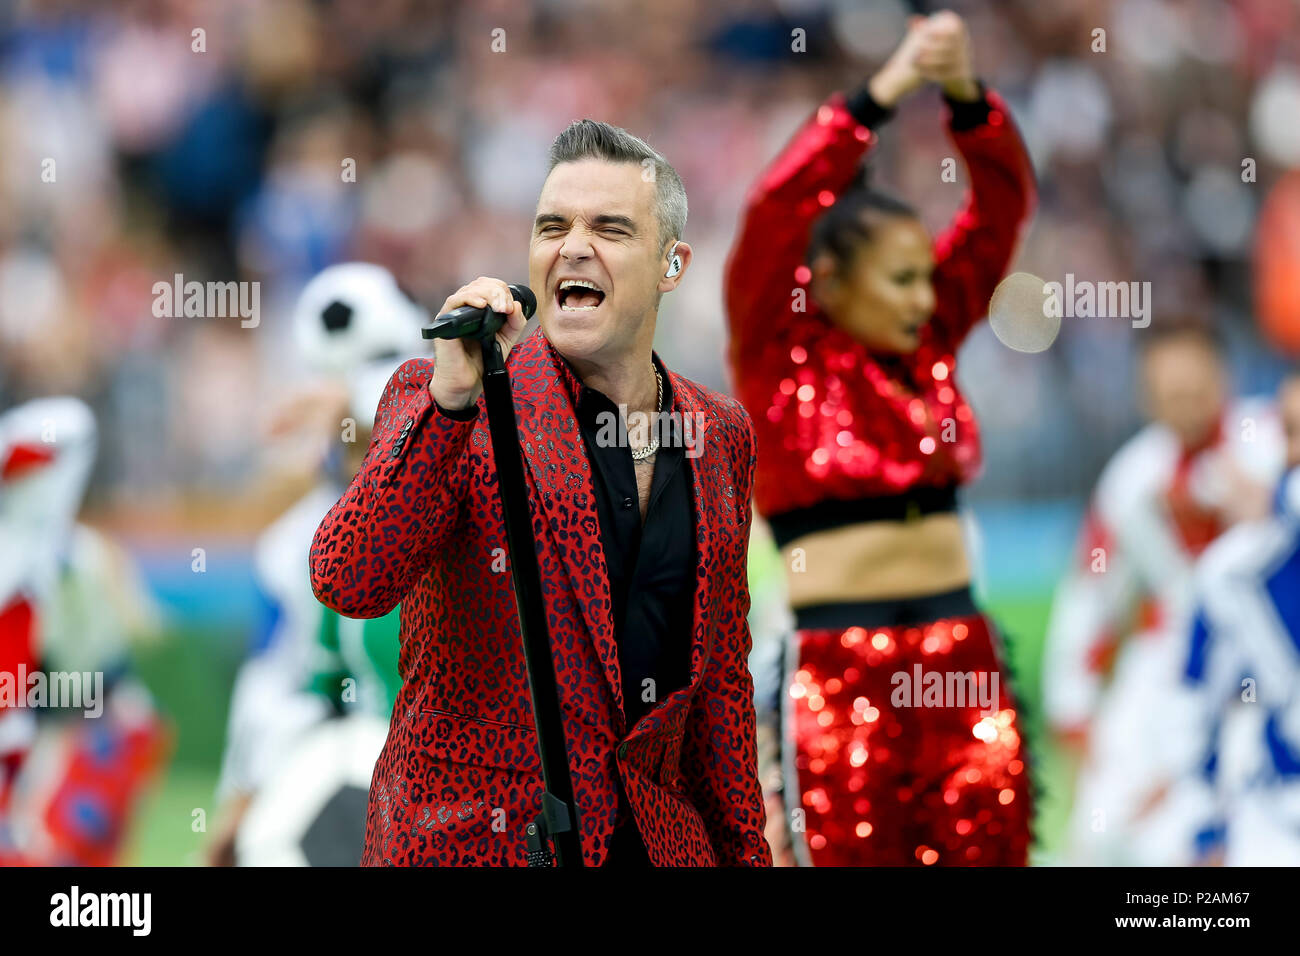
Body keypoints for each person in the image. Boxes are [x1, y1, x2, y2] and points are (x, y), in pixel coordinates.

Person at [310, 121, 771, 867]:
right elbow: (346, 577)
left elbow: (720, 696)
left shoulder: (719, 434)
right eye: (553, 225)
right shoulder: (454, 404)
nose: (574, 246)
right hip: (477, 848)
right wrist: (449, 403)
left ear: (671, 264)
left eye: (610, 228)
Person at [725, 11, 1036, 865]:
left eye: (927, 281)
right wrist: (881, 94)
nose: (917, 299)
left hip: (962, 656)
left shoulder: (928, 342)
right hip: (837, 669)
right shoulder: (775, 353)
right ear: (826, 281)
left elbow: (1002, 206)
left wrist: (967, 97)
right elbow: (773, 208)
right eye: (900, 279)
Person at [1042, 321, 1283, 865]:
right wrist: (1073, 706)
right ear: (1145, 396)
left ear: (1224, 376)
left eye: (1195, 389)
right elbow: (1091, 594)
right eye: (1170, 394)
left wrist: (1267, 506)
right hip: (1169, 668)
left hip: (1264, 668)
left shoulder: (1272, 445)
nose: (1185, 405)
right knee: (1105, 831)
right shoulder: (1132, 477)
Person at [207, 263, 423, 866]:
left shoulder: (470, 524)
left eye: (368, 439)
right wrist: (242, 808)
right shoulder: (323, 554)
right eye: (350, 442)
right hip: (371, 797)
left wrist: (350, 396)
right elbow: (297, 693)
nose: (359, 460)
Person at [1179, 373, 1300, 865]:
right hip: (1276, 817)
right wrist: (1205, 827)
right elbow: (1194, 707)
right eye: (1292, 432)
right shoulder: (1231, 574)